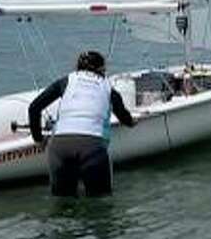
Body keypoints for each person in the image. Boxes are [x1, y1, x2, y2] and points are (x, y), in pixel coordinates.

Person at [28, 50, 136, 197]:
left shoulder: (66, 81)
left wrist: (38, 139)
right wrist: (132, 122)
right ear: (102, 69)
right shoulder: (109, 89)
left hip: (60, 147)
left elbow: (34, 108)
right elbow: (124, 117)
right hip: (92, 146)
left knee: (63, 206)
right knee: (100, 204)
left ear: (77, 67)